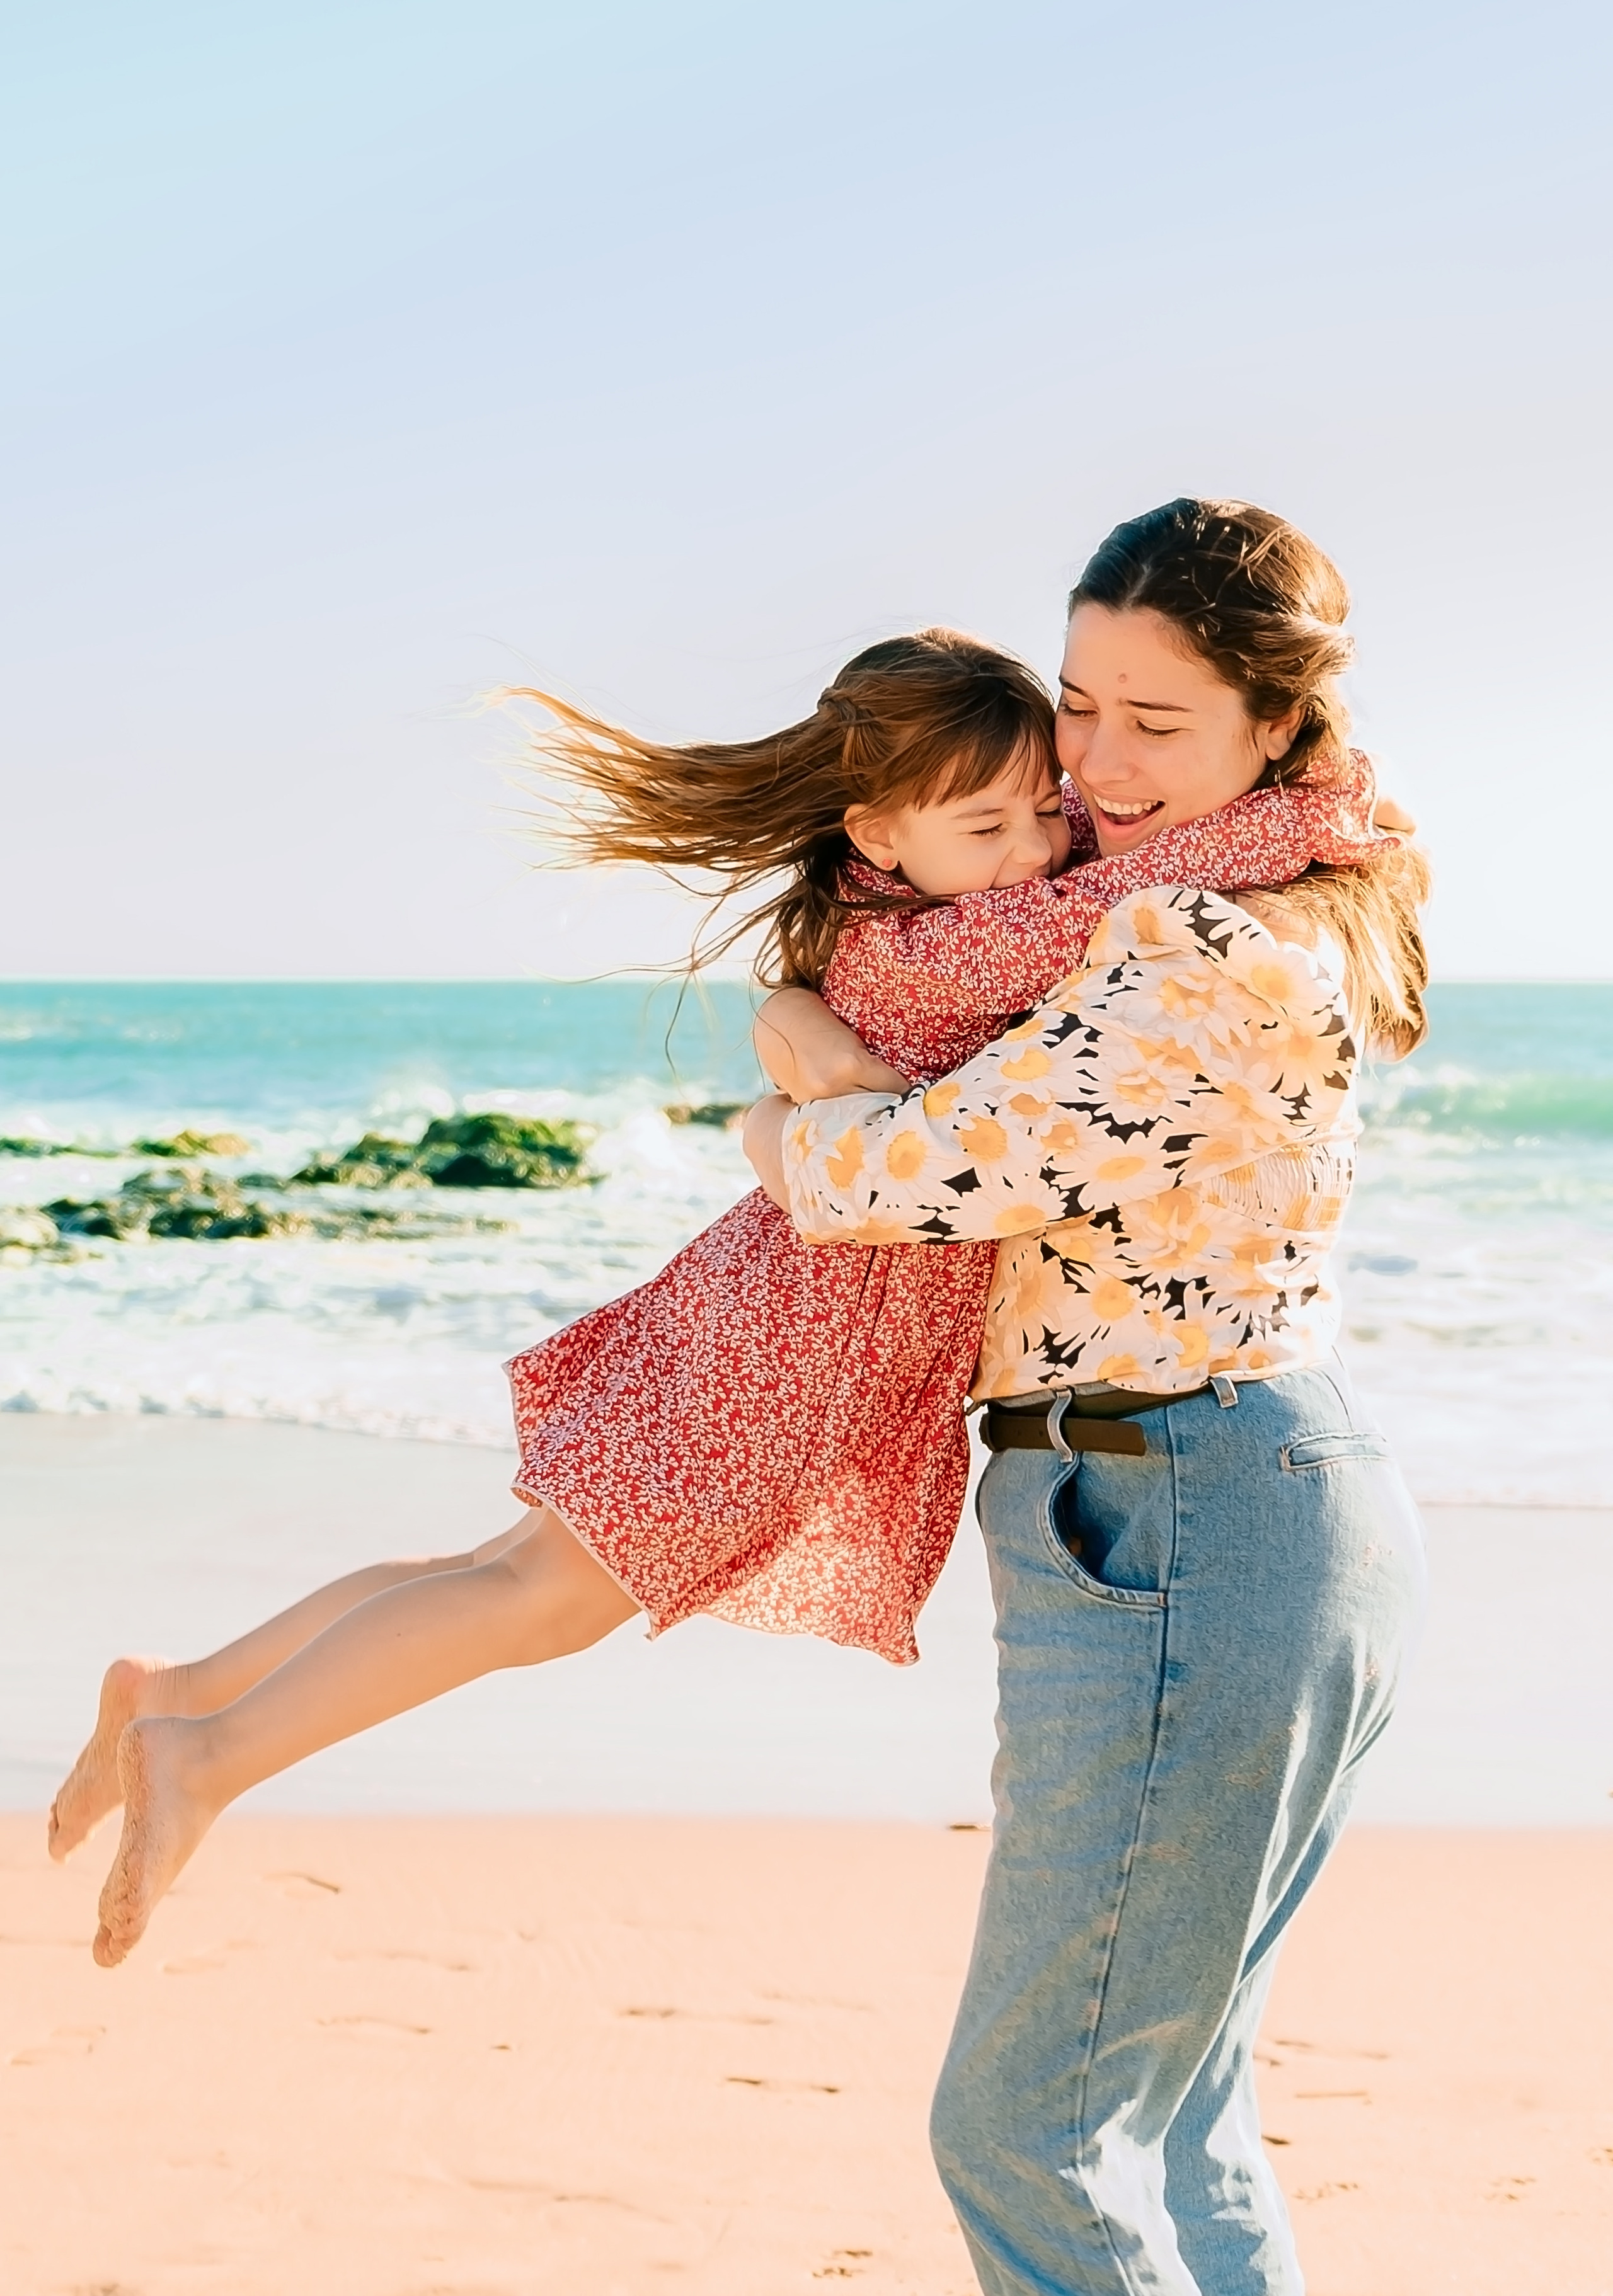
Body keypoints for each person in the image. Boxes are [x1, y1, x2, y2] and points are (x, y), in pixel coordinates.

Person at [53, 619, 1388, 1973]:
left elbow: (1082, 896)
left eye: (1037, 813)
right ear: (876, 834)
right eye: (983, 828)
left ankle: (182, 1692)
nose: (1035, 853)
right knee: (536, 1602)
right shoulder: (956, 947)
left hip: (761, 1308)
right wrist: (1318, 818)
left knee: (504, 1571)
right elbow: (1136, 888)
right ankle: (208, 1753)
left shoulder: (903, 921)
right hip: (790, 1338)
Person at [742, 498, 1430, 2296]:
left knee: (1030, 2127)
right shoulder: (1230, 909)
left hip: (1182, 1510)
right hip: (1223, 1499)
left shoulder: (1202, 943)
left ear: (1275, 727)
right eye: (1080, 702)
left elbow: (895, 1173)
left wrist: (791, 1086)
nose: (1095, 763)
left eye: (1158, 720)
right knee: (1173, 2123)